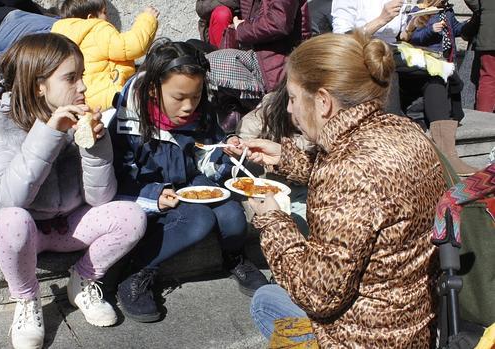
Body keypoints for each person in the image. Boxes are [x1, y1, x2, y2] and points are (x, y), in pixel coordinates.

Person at [244, 31, 445, 347]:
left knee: (265, 299)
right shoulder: (406, 130)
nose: (289, 110)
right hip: (416, 324)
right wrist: (285, 157)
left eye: (294, 98)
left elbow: (318, 294)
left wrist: (273, 222)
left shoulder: (347, 168)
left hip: (361, 338)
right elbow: (372, 194)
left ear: (323, 101)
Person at [0, 33, 146, 349]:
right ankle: (26, 299)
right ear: (39, 85)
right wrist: (49, 133)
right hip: (25, 232)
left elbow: (100, 199)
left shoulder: (79, 117)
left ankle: (83, 280)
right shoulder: (1, 123)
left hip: (69, 223)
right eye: (71, 78)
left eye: (81, 76)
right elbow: (11, 199)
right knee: (10, 218)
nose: (82, 87)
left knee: (132, 216)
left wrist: (97, 147)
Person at [108, 39, 268, 323]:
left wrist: (226, 149)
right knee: (198, 220)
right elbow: (117, 181)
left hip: (190, 180)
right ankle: (137, 270)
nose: (188, 106)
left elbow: (207, 150)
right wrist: (155, 194)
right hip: (147, 195)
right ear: (153, 89)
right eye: (179, 97)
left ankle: (234, 257)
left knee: (232, 214)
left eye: (194, 97)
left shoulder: (199, 109)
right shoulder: (126, 123)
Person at [399, 0, 478, 176]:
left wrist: (471, 22)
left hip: (447, 60)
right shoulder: (418, 11)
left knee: (453, 88)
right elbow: (410, 37)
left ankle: (448, 130)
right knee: (443, 83)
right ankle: (446, 153)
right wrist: (430, 29)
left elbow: (456, 29)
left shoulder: (447, 11)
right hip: (428, 61)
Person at [228, 76, 315, 233]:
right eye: (291, 101)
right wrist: (237, 148)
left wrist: (286, 154)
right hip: (263, 188)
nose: (290, 108)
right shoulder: (258, 121)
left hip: (303, 190)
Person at [205, 0, 306, 132]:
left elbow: (279, 22)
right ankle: (234, 104)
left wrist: (241, 28)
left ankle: (262, 105)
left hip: (281, 64)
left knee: (213, 63)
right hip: (260, 57)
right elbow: (203, 7)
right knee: (201, 60)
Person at [51, 0, 159, 111]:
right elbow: (132, 46)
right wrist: (147, 19)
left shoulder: (63, 34)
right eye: (104, 12)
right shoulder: (97, 30)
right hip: (108, 95)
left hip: (85, 98)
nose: (107, 18)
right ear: (91, 17)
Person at [465, 0, 495, 112]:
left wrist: (482, 8)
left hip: (489, 32)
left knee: (488, 79)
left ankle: (483, 121)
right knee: (488, 78)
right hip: (489, 33)